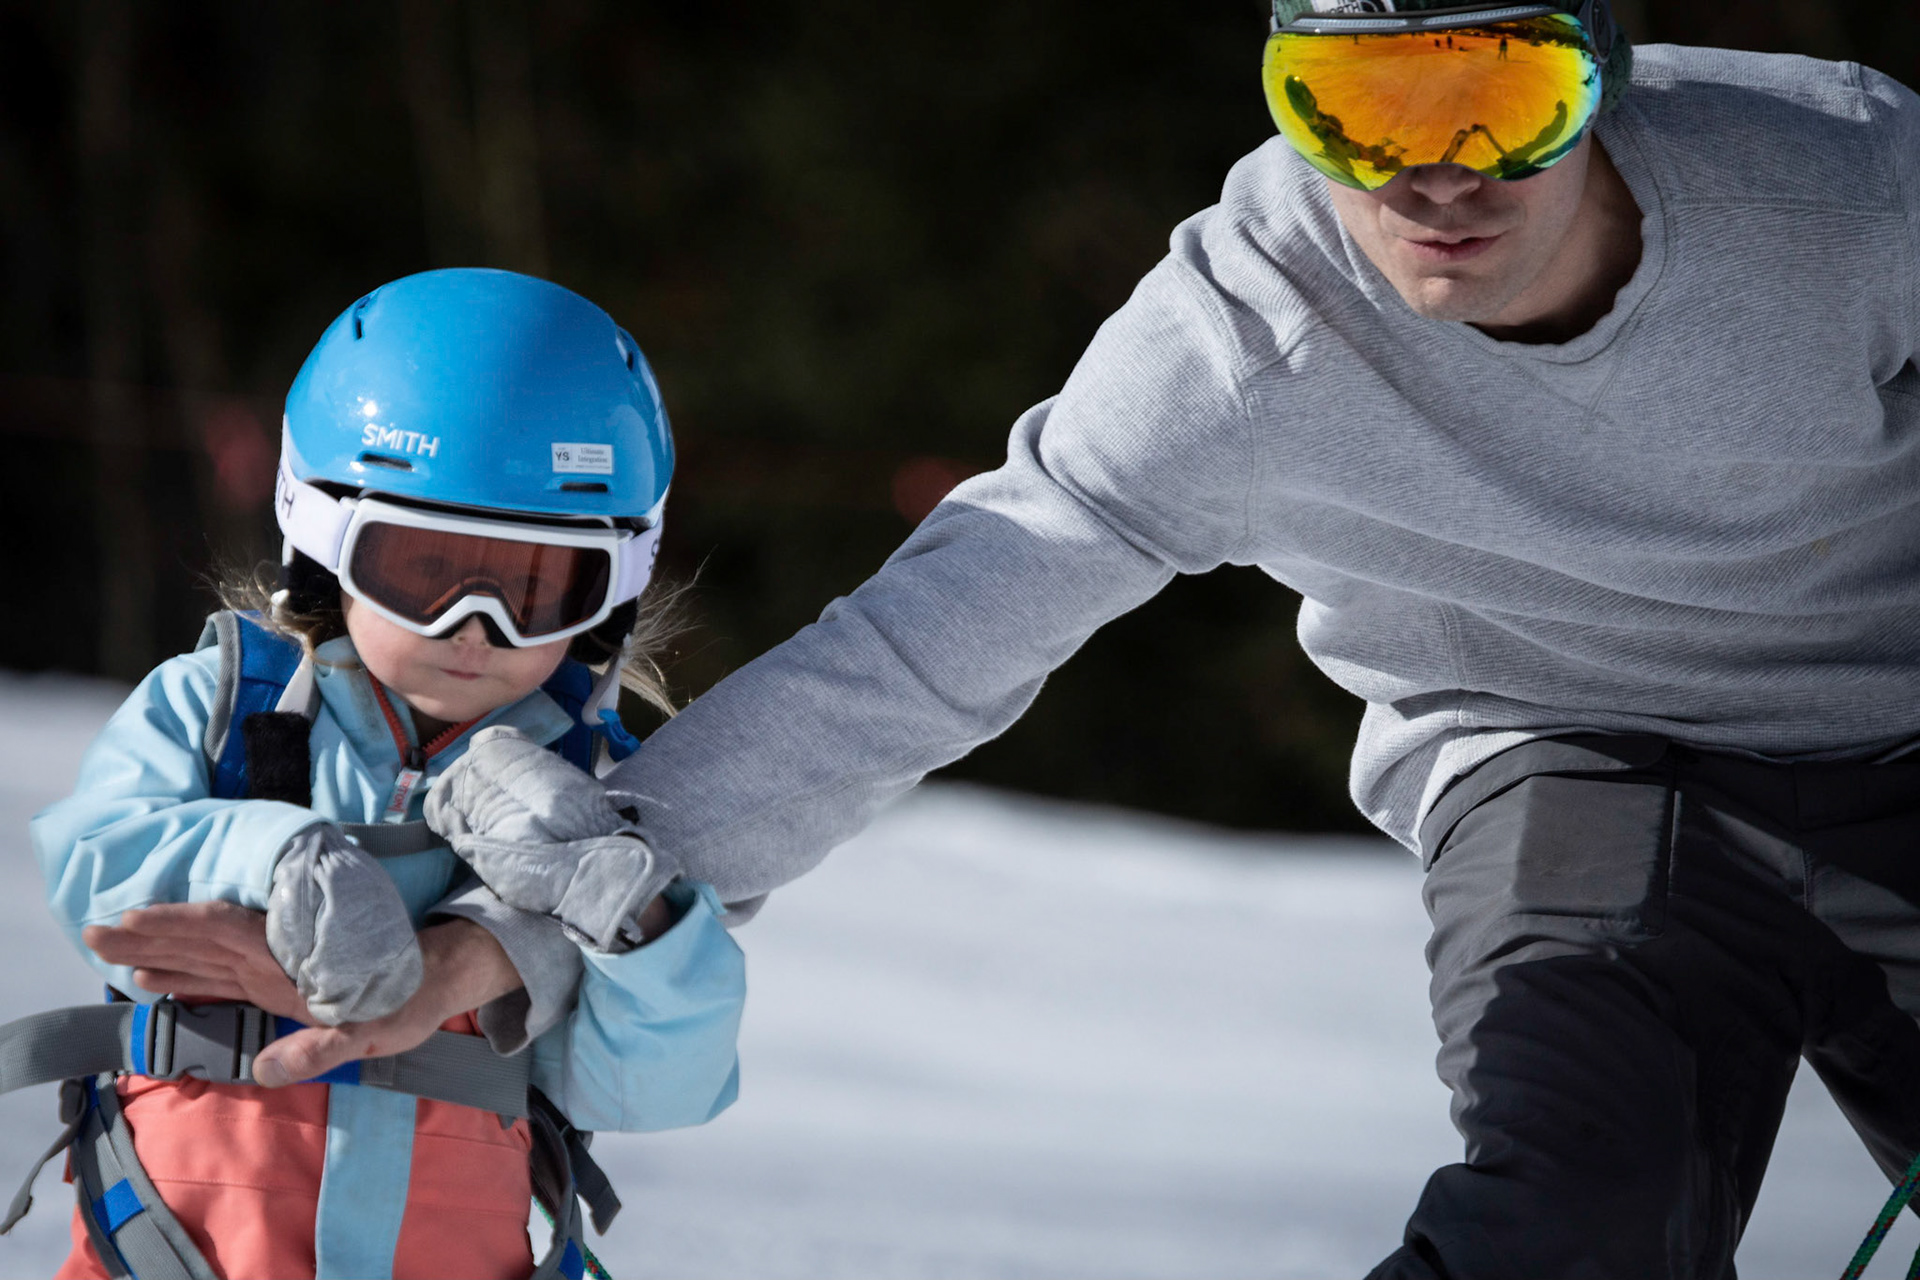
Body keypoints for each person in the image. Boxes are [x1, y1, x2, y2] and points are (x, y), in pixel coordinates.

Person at [100, 1, 1920, 1275]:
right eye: (1356, 105)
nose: (1430, 176)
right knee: (1575, 1217)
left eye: (1494, 97)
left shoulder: (1839, 191)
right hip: (1565, 764)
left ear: (1595, 74)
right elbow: (932, 637)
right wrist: (519, 925)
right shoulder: (1252, 333)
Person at [28, 268, 746, 1280]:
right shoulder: (231, 711)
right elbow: (96, 865)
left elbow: (656, 1086)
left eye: (536, 585)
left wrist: (631, 917)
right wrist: (275, 855)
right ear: (322, 544)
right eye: (420, 569)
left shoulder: (597, 796)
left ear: (611, 589)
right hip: (168, 1249)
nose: (472, 627)